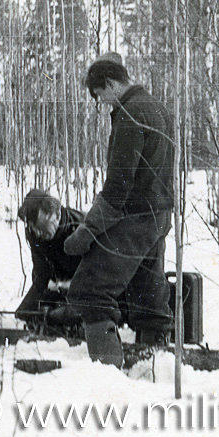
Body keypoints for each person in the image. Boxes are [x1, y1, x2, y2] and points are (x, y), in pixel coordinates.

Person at [64, 52, 174, 367]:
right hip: (158, 217)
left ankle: (106, 380)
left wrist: (87, 231)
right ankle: (154, 368)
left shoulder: (130, 114)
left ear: (112, 84)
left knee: (90, 292)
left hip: (135, 217)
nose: (102, 104)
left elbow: (117, 188)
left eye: (100, 95)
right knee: (148, 297)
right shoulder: (158, 108)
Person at [13, 189, 85, 325]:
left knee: (58, 319)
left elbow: (98, 281)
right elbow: (42, 276)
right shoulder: (34, 233)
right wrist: (22, 315)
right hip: (58, 291)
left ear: (56, 215)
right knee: (29, 318)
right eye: (34, 229)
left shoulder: (81, 228)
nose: (38, 234)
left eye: (41, 228)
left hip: (89, 293)